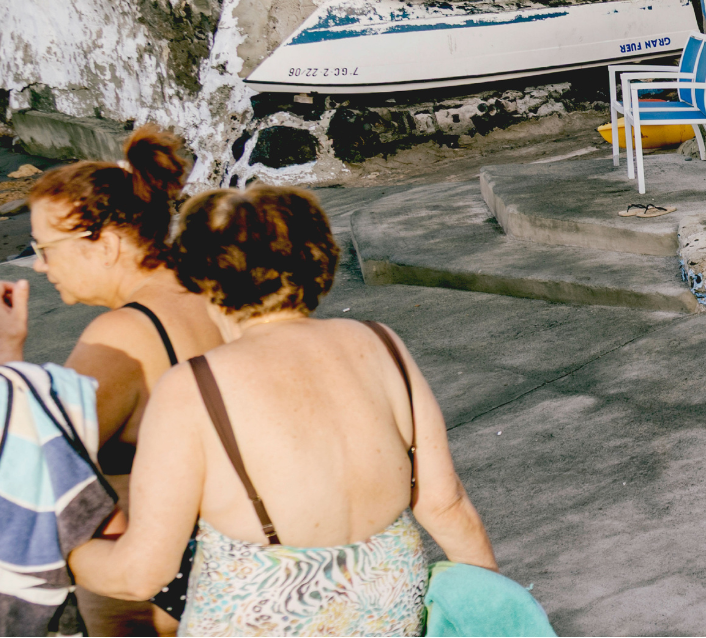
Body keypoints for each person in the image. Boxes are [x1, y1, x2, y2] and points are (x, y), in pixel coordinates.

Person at [67, 185, 497, 636]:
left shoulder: (192, 388)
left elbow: (143, 573)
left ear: (200, 274)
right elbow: (444, 504)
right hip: (389, 618)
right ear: (318, 259)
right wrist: (494, 612)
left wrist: (61, 554)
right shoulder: (381, 344)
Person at [0, 126, 223, 636]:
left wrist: (6, 362)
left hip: (151, 601)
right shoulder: (208, 293)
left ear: (102, 245)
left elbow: (33, 468)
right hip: (221, 564)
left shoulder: (123, 334)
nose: (39, 264)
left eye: (46, 246)